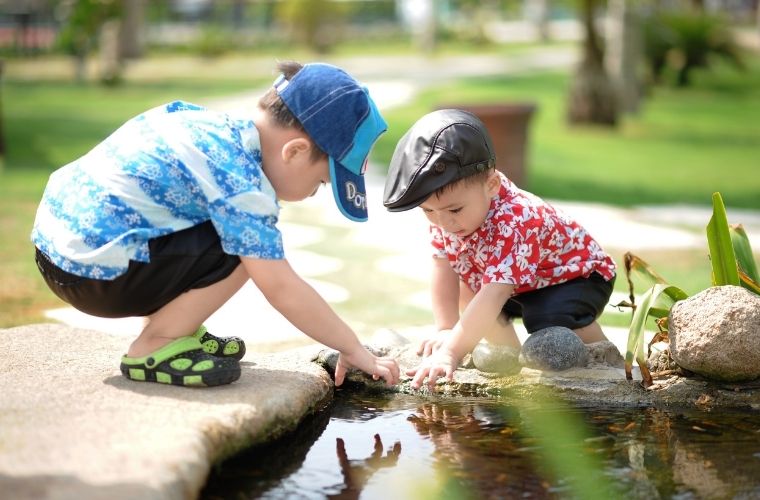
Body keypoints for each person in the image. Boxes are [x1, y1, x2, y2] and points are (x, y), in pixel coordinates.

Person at [32, 61, 400, 388]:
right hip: (93, 274)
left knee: (230, 231)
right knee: (249, 251)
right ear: (295, 151)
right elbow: (281, 287)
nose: (312, 194)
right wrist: (352, 348)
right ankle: (156, 345)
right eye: (321, 183)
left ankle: (178, 328)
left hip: (58, 250)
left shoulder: (210, 127)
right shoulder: (240, 181)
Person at [383, 109, 616, 390]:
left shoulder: (517, 219)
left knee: (546, 319)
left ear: (491, 185)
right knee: (469, 289)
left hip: (575, 277)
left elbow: (495, 292)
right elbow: (442, 266)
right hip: (520, 283)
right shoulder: (447, 215)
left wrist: (450, 352)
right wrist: (446, 328)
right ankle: (509, 361)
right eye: (428, 211)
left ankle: (605, 359)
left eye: (454, 209)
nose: (443, 222)